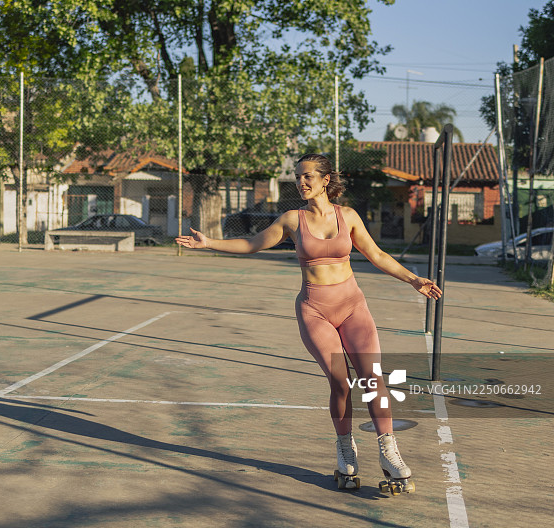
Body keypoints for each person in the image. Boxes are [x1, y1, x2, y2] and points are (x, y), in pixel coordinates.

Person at [175, 153, 442, 493]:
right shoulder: (292, 220)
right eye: (297, 177)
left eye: (307, 176)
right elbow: (253, 243)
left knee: (372, 379)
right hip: (314, 310)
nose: (300, 182)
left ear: (326, 180)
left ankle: (389, 451)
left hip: (353, 306)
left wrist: (412, 279)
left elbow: (376, 255)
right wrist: (209, 242)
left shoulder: (348, 216)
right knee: (340, 381)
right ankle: (345, 447)